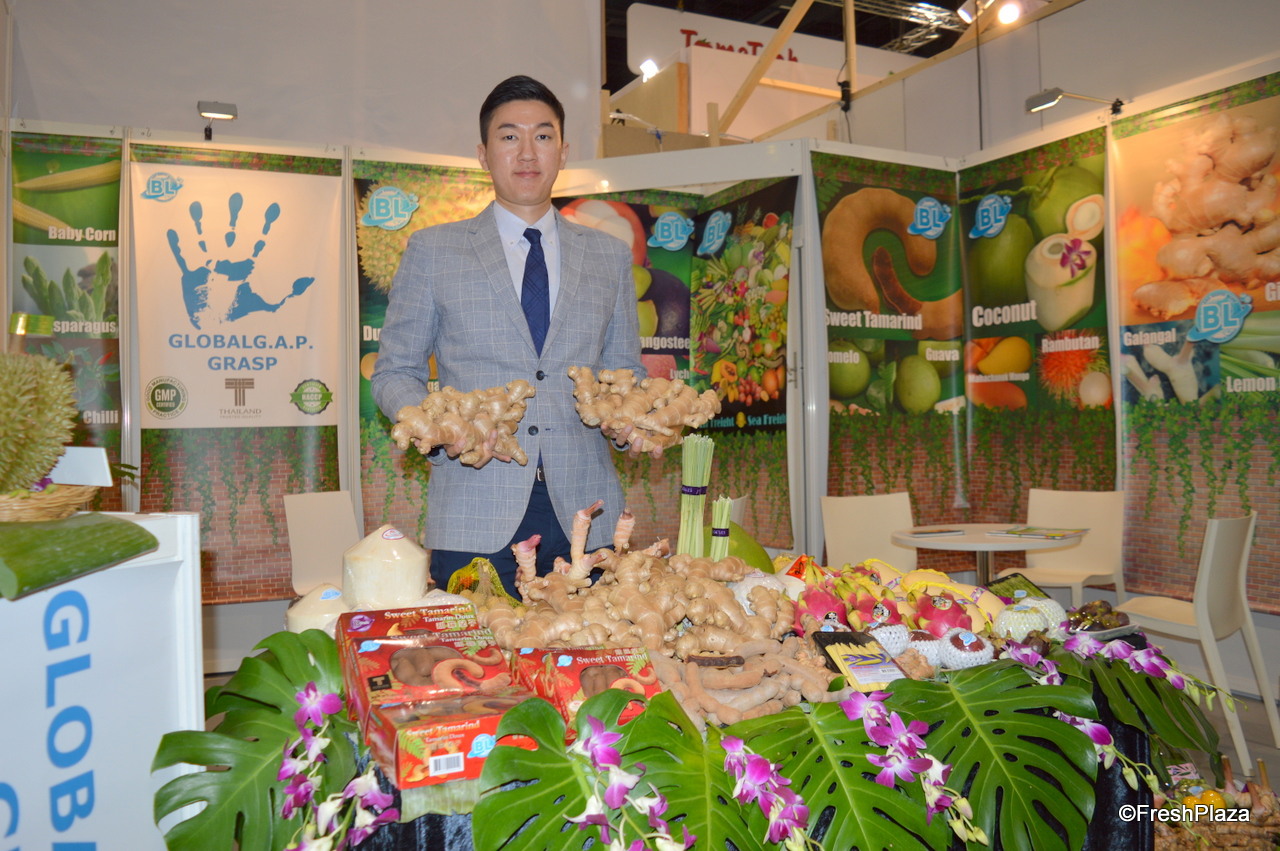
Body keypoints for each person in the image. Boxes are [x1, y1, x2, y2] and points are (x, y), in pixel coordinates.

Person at [371, 75, 652, 599]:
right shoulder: (434, 251)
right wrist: (442, 428)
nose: (527, 152)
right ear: (483, 153)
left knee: (594, 649)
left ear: (563, 152)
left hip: (587, 514)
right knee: (481, 650)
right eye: (509, 136)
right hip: (475, 505)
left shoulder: (608, 256)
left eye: (543, 136)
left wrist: (630, 421)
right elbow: (394, 373)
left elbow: (624, 370)